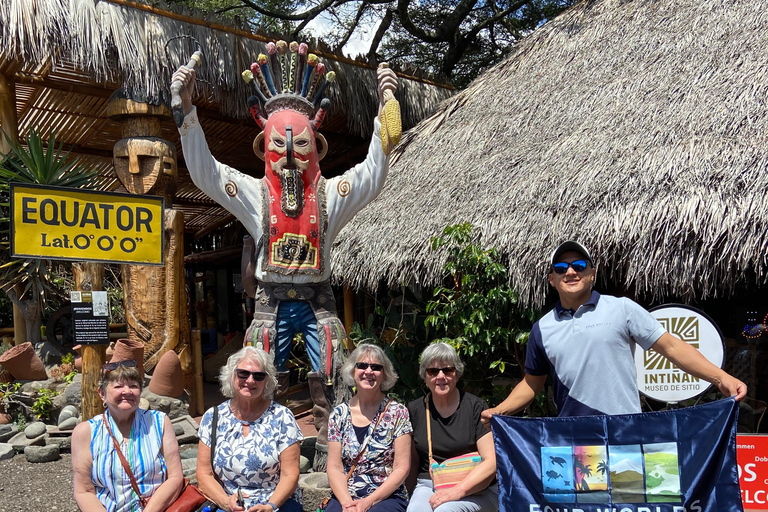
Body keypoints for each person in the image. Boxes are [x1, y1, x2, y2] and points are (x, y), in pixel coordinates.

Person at [171, 52, 400, 458]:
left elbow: (372, 175)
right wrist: (187, 113)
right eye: (279, 143)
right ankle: (264, 444)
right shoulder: (254, 193)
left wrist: (385, 113)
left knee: (333, 367)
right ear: (264, 147)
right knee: (256, 371)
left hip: (318, 300)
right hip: (270, 300)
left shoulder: (331, 194)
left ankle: (333, 444)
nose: (290, 154)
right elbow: (207, 172)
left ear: (316, 148)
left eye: (299, 144)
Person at [482, 240, 748, 421]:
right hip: (573, 436)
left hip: (625, 430)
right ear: (552, 280)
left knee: (629, 502)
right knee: (582, 505)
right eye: (561, 268)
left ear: (592, 273)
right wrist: (499, 410)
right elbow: (532, 383)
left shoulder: (622, 309)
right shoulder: (542, 328)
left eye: (580, 265)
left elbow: (671, 347)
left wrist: (720, 378)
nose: (571, 272)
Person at [196, 346, 302, 512]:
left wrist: (270, 506)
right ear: (232, 375)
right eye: (243, 373)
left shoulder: (282, 417)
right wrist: (226, 503)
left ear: (267, 381)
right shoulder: (213, 417)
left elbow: (290, 474)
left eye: (258, 376)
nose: (250, 380)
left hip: (275, 503)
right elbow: (204, 474)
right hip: (228, 503)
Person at [72, 359, 183, 512]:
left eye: (133, 386)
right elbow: (83, 491)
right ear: (102, 393)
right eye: (118, 386)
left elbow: (175, 477)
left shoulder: (159, 422)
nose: (127, 391)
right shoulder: (85, 432)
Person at [406, 343, 498, 512]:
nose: (441, 376)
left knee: (445, 510)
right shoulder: (415, 410)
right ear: (424, 376)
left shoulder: (476, 407)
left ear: (457, 374)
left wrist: (457, 491)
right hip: (430, 483)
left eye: (447, 370)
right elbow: (412, 462)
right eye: (433, 371)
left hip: (476, 487)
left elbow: (491, 461)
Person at [326, 344, 412, 512]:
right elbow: (334, 467)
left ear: (384, 375)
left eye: (376, 367)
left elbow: (401, 467)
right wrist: (347, 504)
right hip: (346, 494)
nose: (369, 371)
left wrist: (368, 502)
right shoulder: (338, 414)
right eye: (362, 365)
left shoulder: (398, 413)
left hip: (386, 496)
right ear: (353, 371)